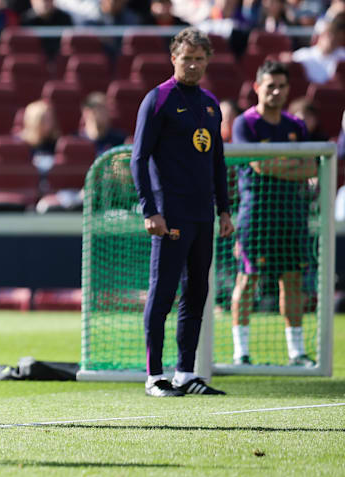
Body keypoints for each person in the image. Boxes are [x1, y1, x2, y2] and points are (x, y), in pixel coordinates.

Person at [130, 28, 234, 397]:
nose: (193, 64)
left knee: (198, 293)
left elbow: (217, 162)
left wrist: (224, 209)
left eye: (199, 59)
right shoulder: (157, 99)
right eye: (186, 58)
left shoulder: (209, 103)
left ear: (207, 61)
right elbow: (139, 159)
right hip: (170, 214)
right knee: (163, 293)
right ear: (173, 58)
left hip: (202, 215)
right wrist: (150, 210)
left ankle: (185, 373)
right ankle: (154, 376)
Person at [230, 60, 318, 368]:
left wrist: (276, 163)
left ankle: (297, 352)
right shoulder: (245, 124)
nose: (276, 91)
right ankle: (240, 352)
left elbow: (310, 167)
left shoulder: (295, 125)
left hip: (292, 214)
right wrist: (289, 165)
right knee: (248, 279)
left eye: (281, 86)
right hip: (256, 215)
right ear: (257, 88)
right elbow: (259, 164)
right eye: (270, 86)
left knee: (292, 280)